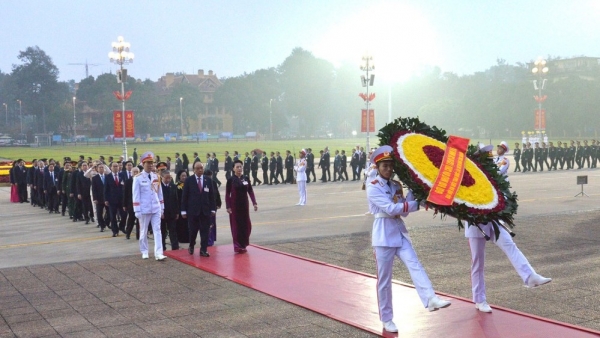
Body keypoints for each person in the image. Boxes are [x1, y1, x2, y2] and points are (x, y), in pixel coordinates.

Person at [367, 145, 451, 333]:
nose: (388, 169)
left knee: (415, 264)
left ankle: (430, 298)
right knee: (384, 281)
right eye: (384, 166)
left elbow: (403, 211)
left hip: (398, 232)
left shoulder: (396, 185)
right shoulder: (373, 187)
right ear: (377, 167)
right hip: (383, 237)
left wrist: (415, 188)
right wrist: (415, 204)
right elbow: (391, 209)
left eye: (390, 165)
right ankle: (387, 318)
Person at [466, 141, 551, 313]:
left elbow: (501, 194)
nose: (490, 160)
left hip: (494, 221)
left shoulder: (492, 175)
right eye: (486, 158)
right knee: (478, 263)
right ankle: (479, 299)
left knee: (510, 246)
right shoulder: (470, 177)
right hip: (476, 224)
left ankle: (529, 276)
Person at [132, 152, 167, 261]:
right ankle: (144, 251)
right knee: (144, 231)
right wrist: (137, 210)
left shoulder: (156, 176)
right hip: (144, 208)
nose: (150, 165)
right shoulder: (138, 178)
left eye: (152, 163)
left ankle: (159, 253)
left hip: (155, 207)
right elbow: (136, 195)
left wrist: (162, 207)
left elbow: (160, 193)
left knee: (157, 230)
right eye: (148, 163)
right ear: (143, 164)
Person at [181, 161, 216, 257]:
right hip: (193, 211)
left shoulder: (208, 180)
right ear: (193, 170)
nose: (200, 170)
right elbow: (185, 196)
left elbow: (211, 196)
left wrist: (213, 209)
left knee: (205, 231)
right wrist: (183, 210)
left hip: (205, 211)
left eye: (201, 168)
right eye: (198, 168)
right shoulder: (189, 180)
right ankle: (191, 245)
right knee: (193, 231)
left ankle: (203, 250)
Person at [226, 160, 258, 253]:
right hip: (234, 206)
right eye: (237, 167)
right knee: (236, 226)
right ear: (233, 169)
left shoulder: (246, 178)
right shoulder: (231, 180)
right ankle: (237, 246)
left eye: (240, 167)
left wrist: (254, 203)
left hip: (244, 205)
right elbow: (227, 194)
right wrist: (228, 206)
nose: (239, 168)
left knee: (246, 225)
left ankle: (243, 244)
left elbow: (250, 191)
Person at [105, 161, 127, 237]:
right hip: (112, 200)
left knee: (124, 215)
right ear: (110, 168)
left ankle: (122, 226)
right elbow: (106, 189)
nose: (115, 168)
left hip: (122, 199)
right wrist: (106, 199)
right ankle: (115, 230)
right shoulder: (108, 176)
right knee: (112, 216)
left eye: (116, 166)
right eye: (114, 166)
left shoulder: (122, 175)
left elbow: (125, 187)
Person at [160, 170, 180, 250]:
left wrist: (177, 212)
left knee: (173, 230)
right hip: (162, 213)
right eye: (166, 178)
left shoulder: (173, 186)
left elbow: (176, 200)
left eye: (170, 178)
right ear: (162, 177)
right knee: (162, 231)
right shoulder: (158, 186)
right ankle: (162, 247)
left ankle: (175, 247)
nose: (168, 180)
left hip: (171, 213)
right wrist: (160, 211)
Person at [204, 169, 222, 246]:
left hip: (213, 207)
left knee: (212, 223)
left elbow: (217, 194)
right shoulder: (203, 183)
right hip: (205, 207)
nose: (209, 177)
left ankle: (212, 238)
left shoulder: (213, 183)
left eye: (210, 176)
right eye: (208, 176)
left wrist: (219, 203)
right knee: (206, 224)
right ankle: (207, 239)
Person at [123, 166, 140, 240]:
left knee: (140, 221)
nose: (136, 173)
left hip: (140, 204)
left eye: (137, 172)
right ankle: (128, 233)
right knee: (131, 219)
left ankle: (138, 235)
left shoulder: (141, 180)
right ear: (131, 173)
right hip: (131, 204)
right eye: (134, 172)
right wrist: (124, 204)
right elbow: (125, 194)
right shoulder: (128, 181)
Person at [91, 163, 108, 232]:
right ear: (97, 169)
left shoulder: (107, 176)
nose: (101, 169)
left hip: (107, 198)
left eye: (102, 167)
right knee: (99, 213)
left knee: (110, 213)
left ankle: (106, 222)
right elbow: (94, 189)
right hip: (99, 198)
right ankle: (101, 225)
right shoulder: (95, 178)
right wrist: (95, 199)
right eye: (100, 168)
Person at [175, 170, 190, 244]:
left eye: (185, 176)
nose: (184, 177)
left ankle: (189, 238)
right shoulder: (176, 186)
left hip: (189, 208)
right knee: (181, 224)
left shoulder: (190, 185)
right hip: (180, 208)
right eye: (182, 176)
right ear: (179, 177)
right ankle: (181, 238)